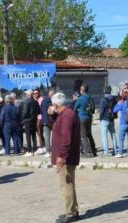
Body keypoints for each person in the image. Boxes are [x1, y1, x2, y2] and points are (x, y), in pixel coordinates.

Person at [51, 92, 81, 223]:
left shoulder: (67, 116)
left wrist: (61, 156)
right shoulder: (64, 114)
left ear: (56, 105)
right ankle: (73, 209)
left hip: (66, 157)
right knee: (68, 184)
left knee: (66, 184)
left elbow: (66, 138)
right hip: (67, 155)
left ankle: (71, 213)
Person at [73, 85, 97, 158]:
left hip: (82, 118)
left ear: (82, 90)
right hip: (89, 118)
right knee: (89, 134)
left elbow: (74, 108)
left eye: (80, 89)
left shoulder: (80, 99)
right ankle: (94, 151)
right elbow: (93, 108)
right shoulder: (91, 97)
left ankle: (87, 153)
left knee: (83, 135)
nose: (80, 90)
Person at [99, 85, 118, 157]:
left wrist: (100, 118)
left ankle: (106, 152)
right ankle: (115, 151)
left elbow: (101, 110)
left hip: (104, 119)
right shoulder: (113, 98)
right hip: (111, 118)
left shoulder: (103, 99)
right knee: (113, 135)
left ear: (104, 90)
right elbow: (115, 108)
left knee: (104, 136)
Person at [20, 90, 40, 156]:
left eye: (26, 94)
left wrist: (22, 118)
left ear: (28, 95)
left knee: (28, 136)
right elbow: (39, 111)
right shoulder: (35, 102)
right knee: (34, 135)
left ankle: (29, 151)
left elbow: (25, 112)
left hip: (27, 121)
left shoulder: (26, 102)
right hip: (34, 120)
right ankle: (35, 150)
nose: (26, 95)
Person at [113, 93, 128, 158]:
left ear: (122, 98)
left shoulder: (122, 104)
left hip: (123, 123)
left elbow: (114, 110)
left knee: (121, 140)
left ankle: (120, 153)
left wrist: (118, 103)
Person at [40, 89, 56, 157]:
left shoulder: (43, 101)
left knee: (47, 137)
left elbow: (41, 111)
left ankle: (48, 152)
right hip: (53, 121)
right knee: (55, 136)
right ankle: (55, 151)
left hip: (45, 121)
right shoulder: (54, 102)